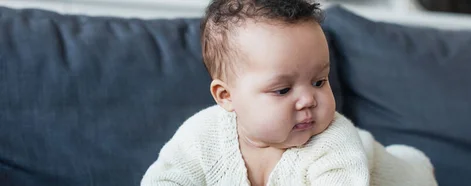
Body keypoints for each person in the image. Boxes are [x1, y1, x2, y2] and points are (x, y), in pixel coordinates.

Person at [141, 0, 438, 185]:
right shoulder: (201, 136)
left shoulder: (332, 140)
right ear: (225, 96)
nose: (309, 99)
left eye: (319, 81)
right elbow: (165, 179)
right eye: (283, 90)